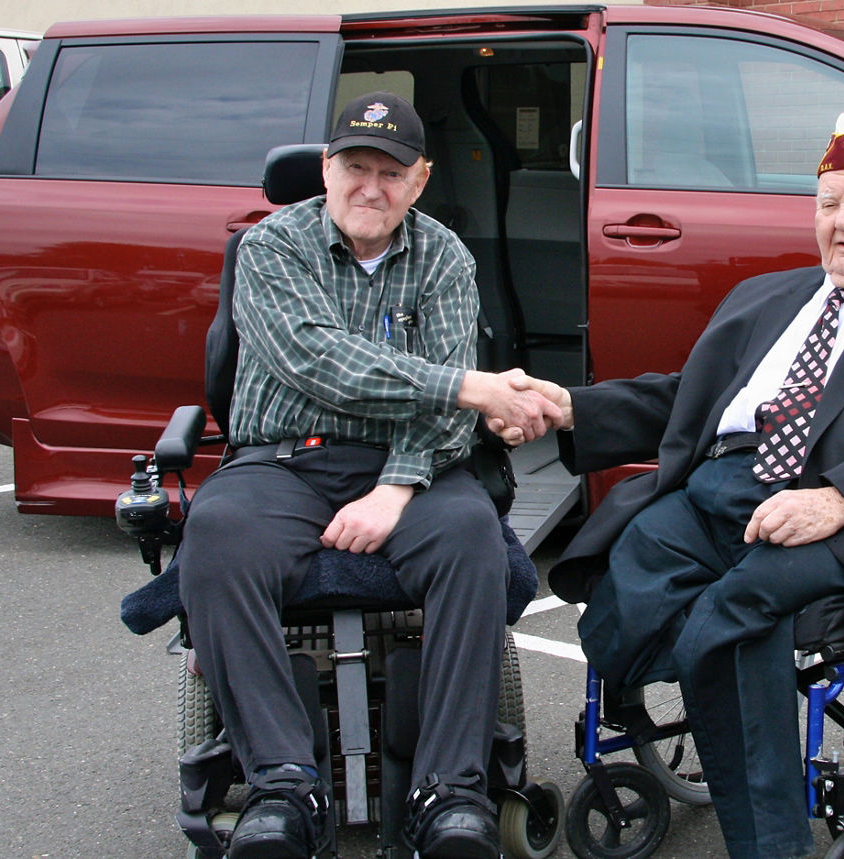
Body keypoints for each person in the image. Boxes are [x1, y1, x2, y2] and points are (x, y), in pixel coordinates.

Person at [496, 126, 844, 858]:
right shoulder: (766, 296)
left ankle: (771, 843)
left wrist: (839, 497)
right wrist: (572, 406)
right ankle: (708, 704)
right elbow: (690, 400)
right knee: (630, 575)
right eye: (828, 203)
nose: (843, 221)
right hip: (721, 485)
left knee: (733, 620)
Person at [177, 91, 561, 859]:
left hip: (409, 465)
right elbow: (319, 360)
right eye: (356, 167)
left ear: (419, 181)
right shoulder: (270, 249)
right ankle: (284, 781)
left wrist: (398, 484)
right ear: (326, 171)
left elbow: (452, 418)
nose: (371, 188)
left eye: (391, 173)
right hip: (281, 459)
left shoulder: (445, 255)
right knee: (216, 536)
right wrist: (466, 384)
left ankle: (449, 789)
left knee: (469, 537)